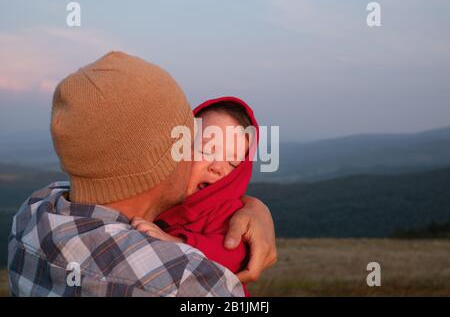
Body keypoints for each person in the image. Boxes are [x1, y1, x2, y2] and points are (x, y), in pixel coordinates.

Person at [7, 51, 276, 297]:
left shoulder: (33, 213)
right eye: (188, 144)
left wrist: (251, 205)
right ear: (155, 163)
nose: (219, 168)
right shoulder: (182, 280)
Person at [132, 97, 259, 297]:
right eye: (206, 151)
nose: (217, 167)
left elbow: (234, 253)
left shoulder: (228, 212)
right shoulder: (153, 193)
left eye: (233, 163)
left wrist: (177, 242)